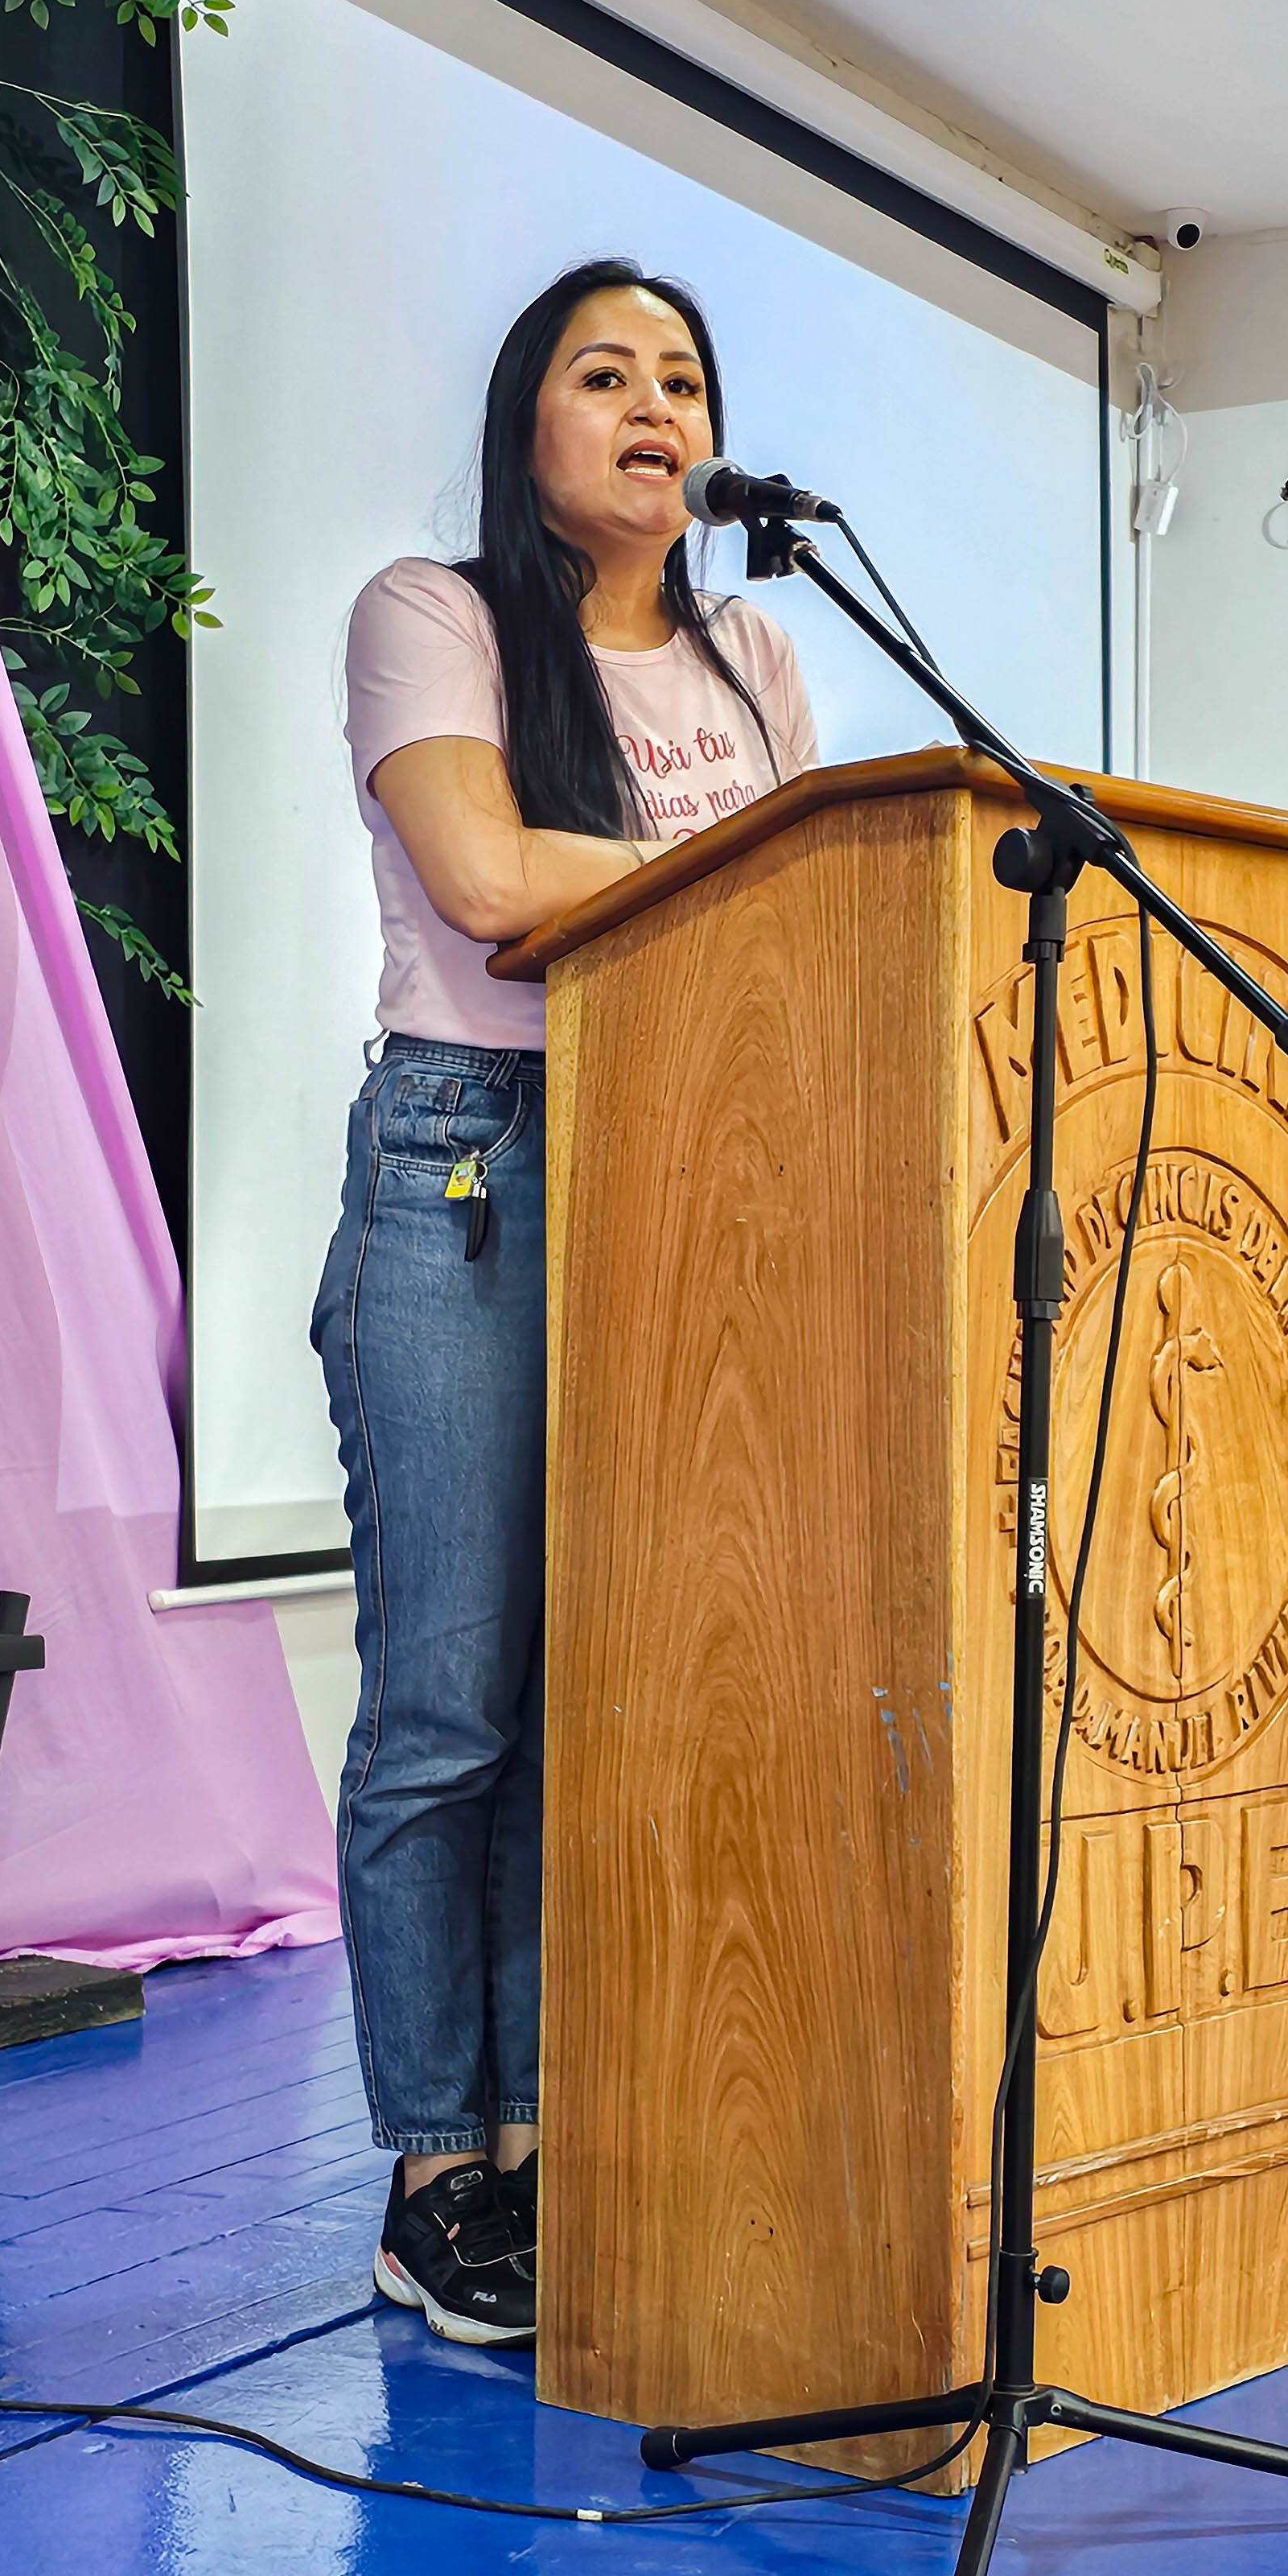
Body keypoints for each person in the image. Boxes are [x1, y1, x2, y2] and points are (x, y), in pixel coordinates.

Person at [313, 258, 818, 2343]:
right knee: (453, 1698)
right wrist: (753, 861)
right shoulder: (429, 614)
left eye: (682, 379)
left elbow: (811, 927)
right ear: (530, 423)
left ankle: (548, 2136)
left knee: (604, 1695)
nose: (653, 405)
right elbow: (491, 885)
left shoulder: (760, 652)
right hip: (474, 1156)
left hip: (689, 1161)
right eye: (604, 373)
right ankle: (438, 2170)